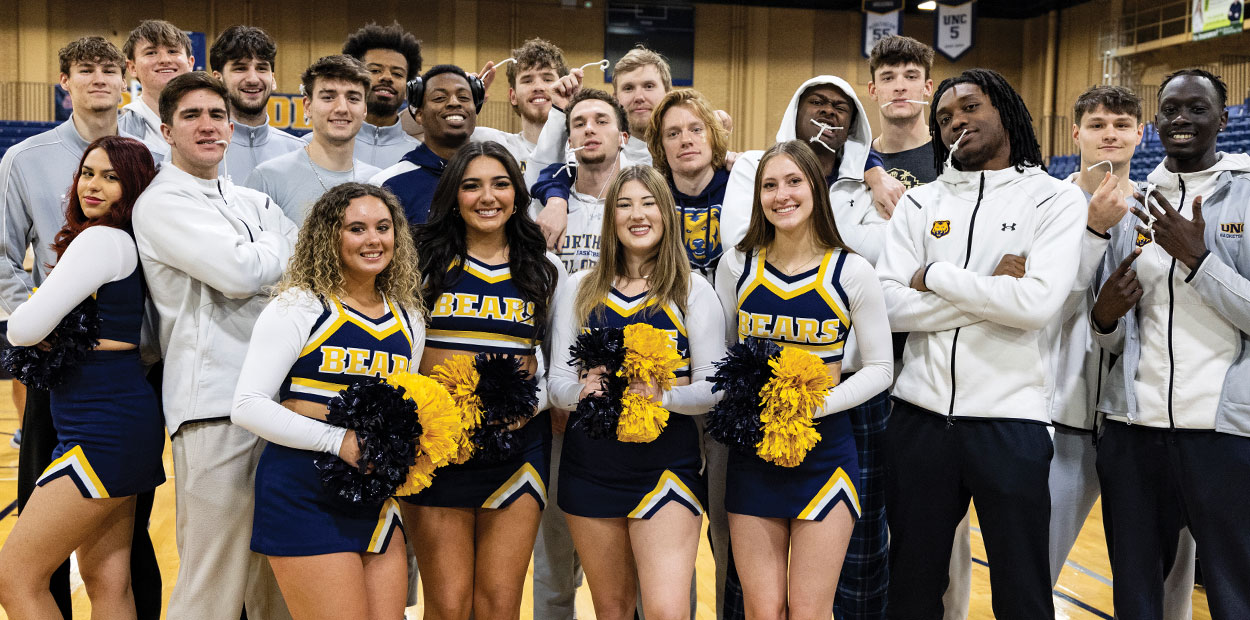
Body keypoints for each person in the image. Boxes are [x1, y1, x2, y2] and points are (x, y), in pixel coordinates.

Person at [877, 68, 1085, 620]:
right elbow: (888, 307)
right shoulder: (919, 204)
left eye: (969, 108)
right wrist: (993, 289)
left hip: (1010, 423)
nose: (955, 123)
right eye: (944, 117)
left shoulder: (1054, 201)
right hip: (918, 420)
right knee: (912, 591)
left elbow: (1036, 306)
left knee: (1022, 595)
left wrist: (936, 276)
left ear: (1006, 109)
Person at [0, 36, 162, 620]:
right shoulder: (119, 241)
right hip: (117, 413)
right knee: (107, 580)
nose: (93, 185)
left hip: (101, 423)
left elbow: (22, 329)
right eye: (87, 174)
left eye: (111, 178)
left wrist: (40, 316)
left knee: (14, 577)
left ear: (135, 188)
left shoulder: (98, 241)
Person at [133, 71, 297, 620]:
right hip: (213, 407)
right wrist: (269, 252)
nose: (208, 126)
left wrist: (264, 258)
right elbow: (237, 272)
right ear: (166, 130)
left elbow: (304, 266)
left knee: (277, 578)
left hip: (280, 404)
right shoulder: (160, 202)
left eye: (217, 115)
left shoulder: (248, 199)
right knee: (212, 585)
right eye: (192, 116)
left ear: (231, 126)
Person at [1091, 68, 1250, 619]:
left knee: (1234, 592)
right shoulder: (1131, 201)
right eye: (1171, 110)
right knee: (1135, 597)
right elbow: (1108, 328)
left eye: (1197, 108)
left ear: (1222, 120)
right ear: (1155, 123)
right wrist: (1104, 317)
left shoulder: (1248, 193)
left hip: (1226, 432)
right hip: (1135, 431)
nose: (1181, 119)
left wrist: (1199, 260)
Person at [713, 140, 892, 619]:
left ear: (816, 187)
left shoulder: (850, 270)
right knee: (762, 610)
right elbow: (726, 358)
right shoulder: (737, 266)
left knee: (811, 612)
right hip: (753, 454)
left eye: (794, 181)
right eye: (769, 185)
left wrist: (817, 405)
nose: (781, 195)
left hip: (826, 454)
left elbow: (880, 368)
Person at [232, 182, 422, 620]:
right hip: (304, 493)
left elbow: (402, 409)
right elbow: (247, 404)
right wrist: (338, 440)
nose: (373, 240)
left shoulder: (408, 317)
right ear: (329, 236)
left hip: (376, 498)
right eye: (356, 228)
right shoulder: (298, 306)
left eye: (383, 227)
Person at [548, 165, 726, 620]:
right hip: (591, 464)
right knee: (612, 609)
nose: (637, 214)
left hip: (666, 466)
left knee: (667, 610)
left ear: (666, 213)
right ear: (610, 219)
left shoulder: (692, 290)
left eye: (648, 203)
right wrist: (585, 392)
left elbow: (713, 387)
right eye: (624, 204)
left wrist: (661, 398)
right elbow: (558, 384)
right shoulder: (579, 288)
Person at [400, 140, 562, 619]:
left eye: (500, 184)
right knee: (448, 605)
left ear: (517, 194)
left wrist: (523, 409)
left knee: (498, 604)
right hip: (437, 447)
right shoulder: (419, 264)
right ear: (453, 195)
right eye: (471, 185)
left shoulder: (544, 271)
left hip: (516, 446)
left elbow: (555, 365)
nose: (486, 197)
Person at [1055, 84, 1197, 618]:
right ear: (1076, 134)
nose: (1109, 134)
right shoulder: (1045, 202)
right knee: (1031, 575)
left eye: (1121, 125)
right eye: (1096, 125)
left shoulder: (1158, 210)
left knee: (1164, 585)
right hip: (1059, 418)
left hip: (1137, 419)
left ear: (1141, 133)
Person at [245, 55, 381, 226]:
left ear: (364, 110)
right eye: (328, 97)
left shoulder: (379, 181)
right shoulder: (268, 179)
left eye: (353, 98)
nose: (341, 108)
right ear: (307, 107)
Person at [525, 88, 631, 274]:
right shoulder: (542, 208)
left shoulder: (642, 208)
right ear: (570, 143)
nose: (589, 129)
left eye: (601, 121)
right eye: (580, 124)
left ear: (622, 138)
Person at [372, 64, 482, 226]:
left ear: (475, 109)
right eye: (439, 98)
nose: (454, 103)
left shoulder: (497, 179)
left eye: (464, 97)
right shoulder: (388, 185)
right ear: (419, 115)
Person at [646, 88, 729, 280]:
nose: (686, 140)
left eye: (696, 130)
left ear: (713, 135)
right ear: (661, 145)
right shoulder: (652, 198)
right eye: (673, 134)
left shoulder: (740, 188)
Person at [210, 25, 303, 183]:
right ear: (218, 78)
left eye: (261, 68)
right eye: (240, 68)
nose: (253, 79)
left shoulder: (300, 152)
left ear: (272, 79)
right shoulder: (198, 150)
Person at [469, 38, 569, 169]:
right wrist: (464, 103)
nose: (538, 87)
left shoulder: (582, 153)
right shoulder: (492, 144)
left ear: (565, 88)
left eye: (547, 79)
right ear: (513, 96)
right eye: (527, 81)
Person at [337, 21, 423, 169]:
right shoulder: (316, 146)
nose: (387, 77)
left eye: (397, 74)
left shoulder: (420, 157)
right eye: (375, 70)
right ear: (352, 79)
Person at [118, 19, 194, 160]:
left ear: (190, 63)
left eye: (172, 51)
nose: (164, 60)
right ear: (132, 68)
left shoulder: (217, 125)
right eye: (151, 53)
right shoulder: (118, 133)